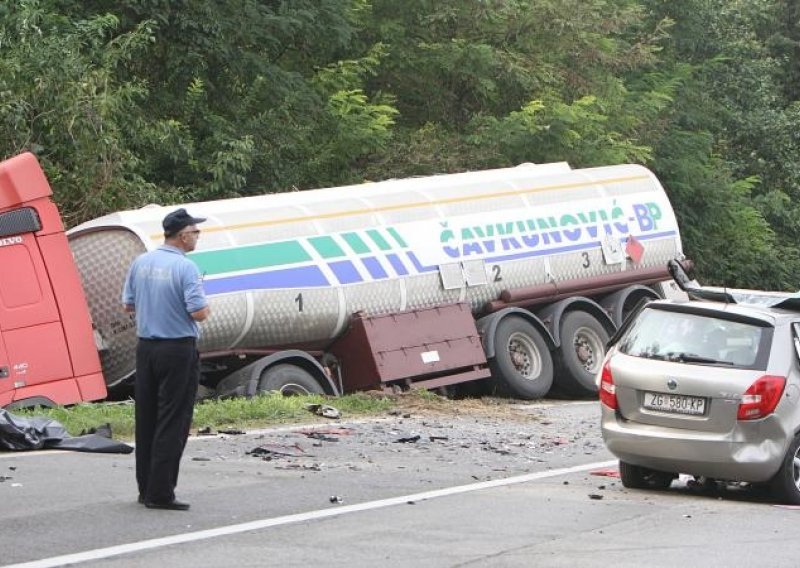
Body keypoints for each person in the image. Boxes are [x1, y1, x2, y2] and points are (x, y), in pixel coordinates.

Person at [121, 208, 210, 511]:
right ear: (184, 235)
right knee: (173, 419)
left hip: (146, 349)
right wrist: (204, 307)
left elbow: (128, 306)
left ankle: (145, 489)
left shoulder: (141, 263)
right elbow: (198, 312)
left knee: (146, 418)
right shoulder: (186, 268)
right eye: (196, 232)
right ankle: (161, 493)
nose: (198, 237)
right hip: (177, 349)